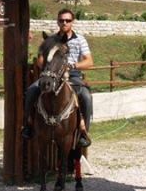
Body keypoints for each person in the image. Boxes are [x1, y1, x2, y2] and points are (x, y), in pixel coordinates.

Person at [22, 8, 93, 148]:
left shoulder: (80, 40)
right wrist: (48, 62)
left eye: (67, 20)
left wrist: (71, 66)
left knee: (86, 96)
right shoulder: (51, 40)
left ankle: (84, 131)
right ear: (57, 21)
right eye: (61, 20)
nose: (64, 23)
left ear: (72, 22)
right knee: (31, 90)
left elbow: (89, 62)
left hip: (72, 75)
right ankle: (28, 125)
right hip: (51, 74)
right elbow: (40, 61)